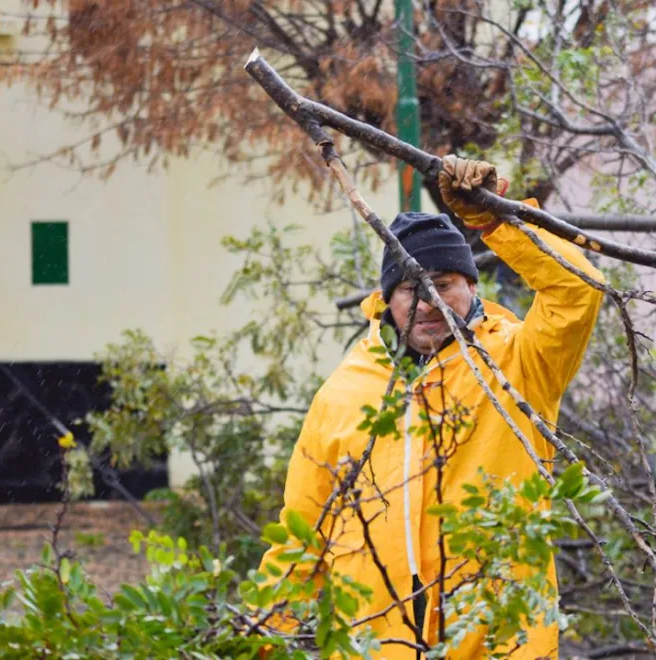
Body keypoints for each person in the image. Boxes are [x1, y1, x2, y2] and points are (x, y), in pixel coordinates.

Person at [257, 156, 605, 658]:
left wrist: (496, 219)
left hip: (498, 645)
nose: (426, 303)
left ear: (470, 286)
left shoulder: (520, 363)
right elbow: (300, 537)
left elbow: (577, 291)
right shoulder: (343, 393)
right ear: (386, 299)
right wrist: (256, 642)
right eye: (410, 288)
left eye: (441, 285)